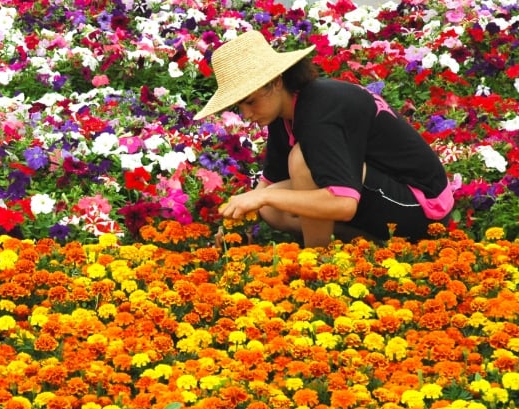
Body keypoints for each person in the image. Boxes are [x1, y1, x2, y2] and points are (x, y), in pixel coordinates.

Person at [194, 30, 454, 248]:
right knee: (271, 208)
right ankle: (359, 245)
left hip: (423, 209)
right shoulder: (283, 113)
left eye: (250, 102)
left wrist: (264, 198)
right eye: (240, 106)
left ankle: (317, 262)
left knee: (299, 163)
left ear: (275, 83)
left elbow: (343, 204)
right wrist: (234, 222)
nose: (246, 114)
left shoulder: (319, 112)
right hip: (386, 195)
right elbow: (267, 186)